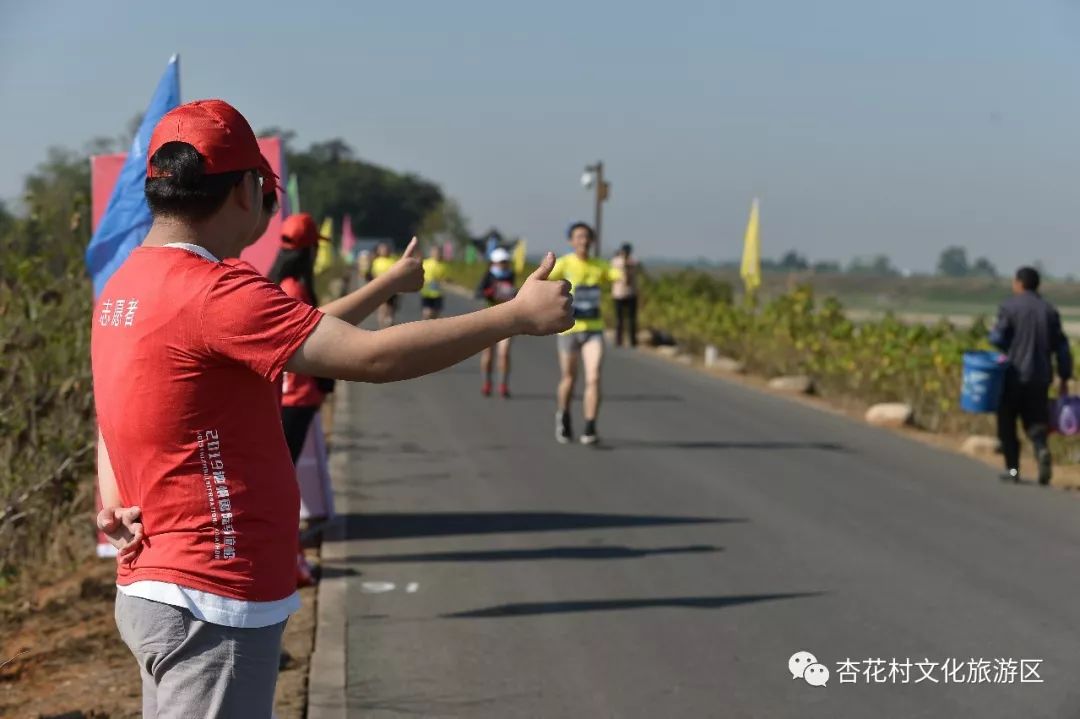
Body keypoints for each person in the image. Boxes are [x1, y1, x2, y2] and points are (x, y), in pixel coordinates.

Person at [93, 98, 572, 719]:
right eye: (267, 190)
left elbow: (115, 411)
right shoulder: (215, 290)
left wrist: (109, 497)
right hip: (211, 593)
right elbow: (374, 359)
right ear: (244, 189)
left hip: (162, 584)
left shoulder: (128, 283)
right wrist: (514, 317)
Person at [990, 266, 1073, 485]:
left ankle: (1014, 470)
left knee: (1007, 422)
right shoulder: (1049, 310)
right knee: (1036, 421)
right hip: (1041, 377)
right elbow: (1062, 347)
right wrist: (1064, 377)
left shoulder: (1009, 307)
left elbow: (997, 338)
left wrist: (1007, 346)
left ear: (1019, 283)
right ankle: (1041, 449)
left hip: (1014, 375)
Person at [548, 222, 622, 445]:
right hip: (569, 329)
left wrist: (626, 265)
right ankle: (564, 415)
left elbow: (619, 276)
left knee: (594, 377)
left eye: (587, 237)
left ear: (592, 241)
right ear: (571, 241)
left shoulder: (599, 265)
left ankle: (590, 426)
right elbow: (542, 282)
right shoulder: (563, 264)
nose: (583, 240)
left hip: (593, 329)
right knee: (569, 379)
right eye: (579, 237)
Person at [475, 247, 518, 397]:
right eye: (501, 262)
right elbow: (478, 293)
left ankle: (503, 385)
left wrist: (514, 293)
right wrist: (490, 292)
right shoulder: (488, 275)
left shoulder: (511, 275)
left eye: (505, 261)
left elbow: (515, 292)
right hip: (489, 318)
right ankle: (487, 383)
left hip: (507, 318)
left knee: (504, 353)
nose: (503, 265)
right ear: (494, 262)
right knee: (488, 354)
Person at [610, 242, 640, 347]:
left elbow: (634, 265)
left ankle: (632, 340)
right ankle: (619, 340)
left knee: (631, 319)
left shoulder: (632, 261)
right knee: (619, 319)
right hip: (619, 294)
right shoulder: (617, 261)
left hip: (631, 293)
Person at [367, 242, 399, 327]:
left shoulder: (393, 259)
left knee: (391, 307)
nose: (384, 250)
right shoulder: (376, 261)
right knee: (382, 306)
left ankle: (390, 321)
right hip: (380, 288)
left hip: (392, 288)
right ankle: (381, 326)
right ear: (379, 251)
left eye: (386, 249)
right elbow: (372, 275)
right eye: (382, 249)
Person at [421, 244, 449, 319]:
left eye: (439, 252)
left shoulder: (444, 265)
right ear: (431, 253)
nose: (437, 254)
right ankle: (424, 328)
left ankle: (432, 329)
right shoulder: (425, 263)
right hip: (426, 293)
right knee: (427, 313)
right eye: (435, 252)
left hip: (438, 294)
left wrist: (444, 282)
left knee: (435, 316)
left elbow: (445, 279)